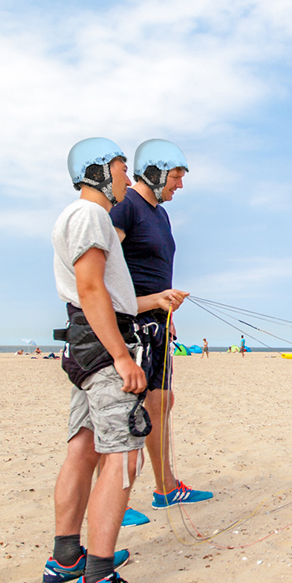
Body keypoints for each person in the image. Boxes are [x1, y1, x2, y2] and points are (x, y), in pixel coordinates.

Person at [45, 137, 177, 583]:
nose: (127, 174)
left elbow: (105, 294)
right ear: (100, 169)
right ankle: (96, 582)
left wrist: (154, 300)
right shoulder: (91, 215)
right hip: (103, 346)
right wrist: (123, 357)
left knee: (83, 446)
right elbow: (91, 287)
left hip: (87, 338)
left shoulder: (80, 217)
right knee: (123, 458)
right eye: (122, 166)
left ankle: (65, 558)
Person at [110, 139, 212, 518]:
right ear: (153, 172)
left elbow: (156, 270)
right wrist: (147, 304)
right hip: (131, 323)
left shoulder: (161, 215)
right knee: (127, 411)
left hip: (158, 323)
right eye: (175, 177)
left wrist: (166, 310)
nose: (179, 186)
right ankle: (114, 501)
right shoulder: (126, 208)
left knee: (162, 402)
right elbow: (104, 270)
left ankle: (166, 487)